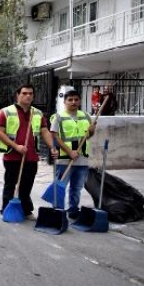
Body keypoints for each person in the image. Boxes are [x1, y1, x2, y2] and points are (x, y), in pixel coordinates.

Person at [0, 83, 58, 221]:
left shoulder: (37, 113)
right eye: (24, 93)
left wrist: (52, 146)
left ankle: (25, 210)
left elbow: (44, 131)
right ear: (18, 95)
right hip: (12, 154)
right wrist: (16, 146)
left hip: (31, 156)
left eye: (30, 93)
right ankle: (6, 209)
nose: (28, 96)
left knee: (27, 185)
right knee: (10, 184)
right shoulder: (6, 111)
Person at [50, 90, 96, 219]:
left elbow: (88, 136)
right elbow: (55, 136)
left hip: (81, 158)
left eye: (76, 99)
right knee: (60, 186)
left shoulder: (86, 116)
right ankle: (58, 211)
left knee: (77, 187)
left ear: (80, 101)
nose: (73, 102)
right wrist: (69, 151)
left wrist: (92, 131)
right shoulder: (58, 117)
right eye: (70, 100)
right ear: (65, 102)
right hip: (65, 159)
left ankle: (73, 210)